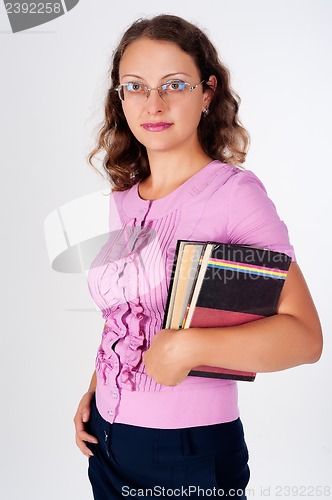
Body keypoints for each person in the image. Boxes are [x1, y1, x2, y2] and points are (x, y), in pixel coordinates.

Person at [74, 14, 322, 500]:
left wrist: (192, 348)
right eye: (136, 86)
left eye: (175, 84)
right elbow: (125, 312)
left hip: (188, 452)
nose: (154, 102)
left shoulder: (233, 195)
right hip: (105, 441)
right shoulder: (123, 198)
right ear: (120, 97)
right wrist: (95, 387)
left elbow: (304, 337)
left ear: (207, 92)